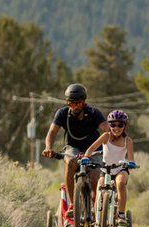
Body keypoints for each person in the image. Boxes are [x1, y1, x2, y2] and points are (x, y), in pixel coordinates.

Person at [42, 83, 108, 218]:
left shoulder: (94, 113)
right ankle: (73, 204)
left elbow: (106, 130)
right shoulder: (62, 113)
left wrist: (113, 144)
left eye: (77, 103)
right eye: (71, 103)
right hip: (73, 148)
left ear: (83, 102)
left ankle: (97, 212)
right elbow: (52, 132)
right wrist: (48, 147)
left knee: (96, 178)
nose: (74, 106)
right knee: (70, 162)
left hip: (93, 149)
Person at [83, 109, 135, 218]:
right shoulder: (106, 136)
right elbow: (92, 147)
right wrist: (86, 156)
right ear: (109, 126)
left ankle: (121, 215)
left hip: (120, 169)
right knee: (99, 189)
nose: (116, 128)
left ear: (125, 126)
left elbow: (131, 159)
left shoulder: (127, 141)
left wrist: (131, 164)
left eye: (120, 125)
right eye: (113, 125)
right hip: (105, 170)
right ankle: (97, 222)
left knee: (120, 183)